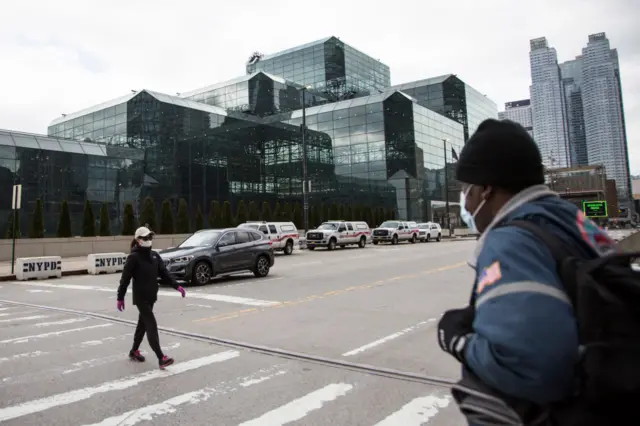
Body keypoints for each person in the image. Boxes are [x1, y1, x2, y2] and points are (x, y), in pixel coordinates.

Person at [436, 119, 618, 424]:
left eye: (467, 189)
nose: (465, 201)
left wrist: (461, 341)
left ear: (486, 189)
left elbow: (533, 368)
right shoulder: (572, 222)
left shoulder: (511, 240)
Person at [117, 226, 186, 369]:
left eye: (150, 237)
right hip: (140, 297)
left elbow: (164, 273)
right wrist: (120, 297)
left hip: (151, 296)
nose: (149, 240)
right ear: (138, 240)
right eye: (145, 238)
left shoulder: (155, 256)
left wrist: (177, 286)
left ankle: (133, 351)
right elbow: (125, 279)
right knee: (151, 325)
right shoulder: (133, 257)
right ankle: (161, 358)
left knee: (142, 325)